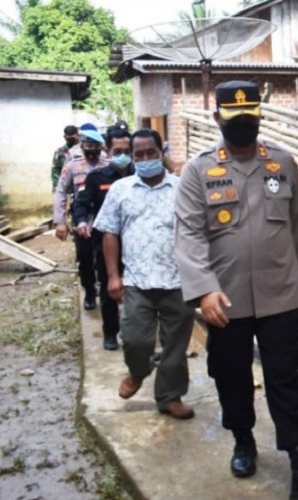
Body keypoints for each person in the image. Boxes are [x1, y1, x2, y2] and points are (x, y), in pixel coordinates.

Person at [174, 81, 298, 498]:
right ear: (217, 119)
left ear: (260, 117)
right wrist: (204, 290)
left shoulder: (281, 162)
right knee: (232, 377)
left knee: (285, 379)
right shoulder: (198, 170)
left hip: (281, 293)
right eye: (235, 119)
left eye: (251, 118)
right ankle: (243, 441)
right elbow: (189, 235)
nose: (245, 126)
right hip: (224, 300)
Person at [93, 128, 196, 419]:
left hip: (178, 281)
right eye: (139, 155)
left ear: (161, 152)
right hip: (138, 280)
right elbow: (110, 234)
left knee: (175, 346)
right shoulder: (120, 189)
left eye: (151, 153)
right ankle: (138, 372)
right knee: (136, 339)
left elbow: (198, 231)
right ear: (132, 157)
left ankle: (169, 396)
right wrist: (113, 276)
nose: (146, 158)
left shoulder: (182, 188)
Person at [71, 128, 135, 350]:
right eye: (118, 150)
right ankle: (110, 332)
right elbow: (81, 203)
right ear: (108, 150)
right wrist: (80, 221)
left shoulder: (140, 176)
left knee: (139, 291)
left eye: (127, 151)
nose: (123, 155)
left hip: (137, 245)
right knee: (110, 288)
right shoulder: (96, 178)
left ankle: (135, 332)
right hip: (107, 244)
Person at [53, 129, 110, 310]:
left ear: (101, 147)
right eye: (88, 146)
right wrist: (60, 221)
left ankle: (106, 290)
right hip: (82, 218)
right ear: (82, 146)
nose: (92, 149)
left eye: (95, 146)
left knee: (105, 257)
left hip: (105, 219)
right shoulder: (72, 167)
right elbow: (61, 192)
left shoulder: (108, 165)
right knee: (85, 258)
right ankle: (90, 292)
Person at [52, 125, 79, 191]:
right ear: (64, 137)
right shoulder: (60, 151)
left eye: (73, 138)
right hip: (65, 184)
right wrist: (55, 184)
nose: (71, 141)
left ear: (78, 136)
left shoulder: (83, 149)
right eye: (69, 139)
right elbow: (56, 168)